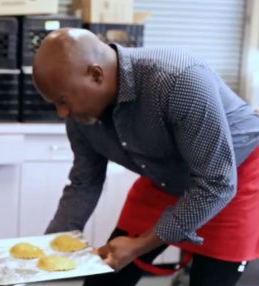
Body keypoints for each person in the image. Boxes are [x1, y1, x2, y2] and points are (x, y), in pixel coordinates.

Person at [32, 28, 259, 286]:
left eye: (62, 101)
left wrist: (140, 245)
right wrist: (49, 249)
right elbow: (85, 182)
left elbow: (217, 182)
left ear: (96, 75)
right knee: (106, 280)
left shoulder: (177, 79)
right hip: (165, 176)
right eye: (54, 104)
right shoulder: (80, 114)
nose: (62, 113)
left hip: (230, 175)